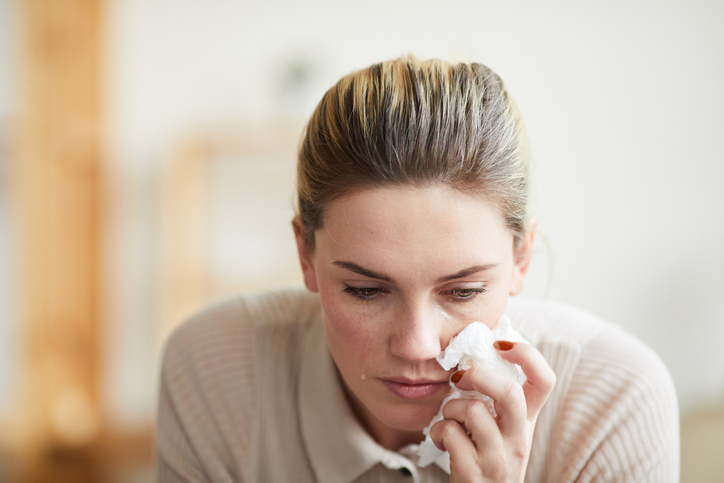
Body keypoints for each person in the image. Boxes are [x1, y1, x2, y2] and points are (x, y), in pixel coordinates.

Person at [156, 56, 679, 482]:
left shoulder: (614, 401)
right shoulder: (216, 373)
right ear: (305, 254)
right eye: (365, 290)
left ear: (521, 258)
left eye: (464, 291)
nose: (416, 345)